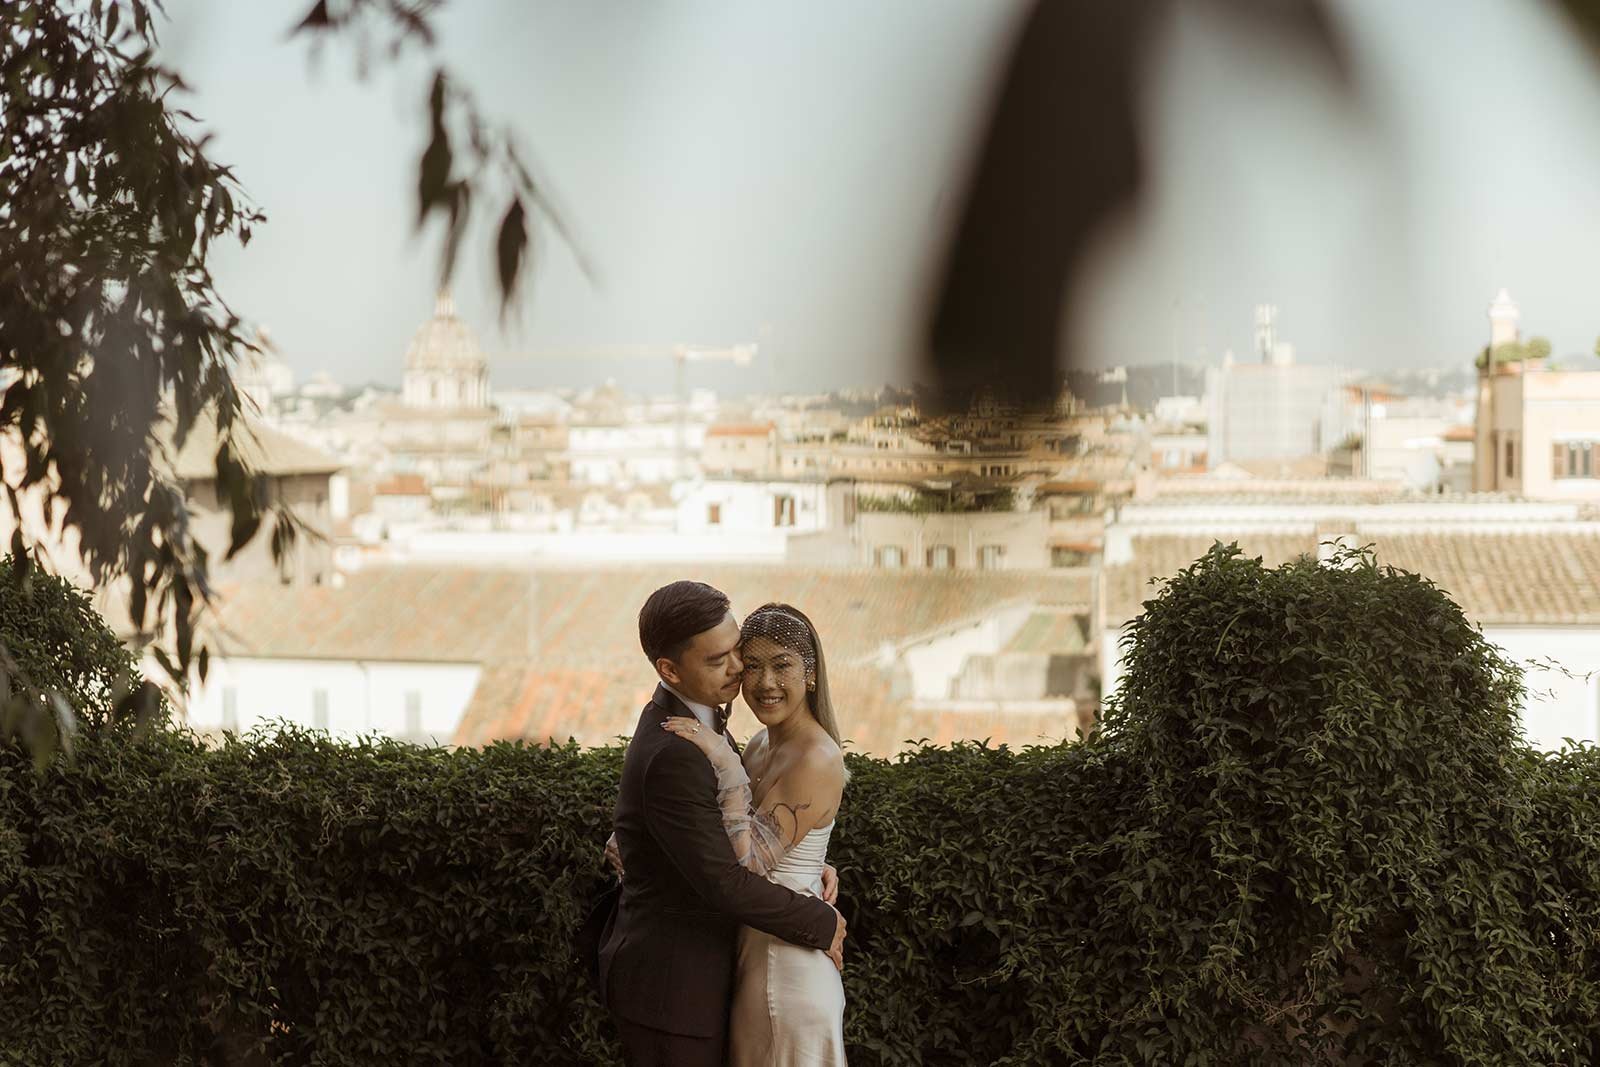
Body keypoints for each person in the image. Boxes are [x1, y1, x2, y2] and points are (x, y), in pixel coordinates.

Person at [597, 581, 846, 1067]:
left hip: (763, 969)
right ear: (670, 669)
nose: (744, 674)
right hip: (677, 989)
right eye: (727, 661)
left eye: (739, 654)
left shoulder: (710, 728)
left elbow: (739, 840)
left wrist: (808, 861)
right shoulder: (687, 745)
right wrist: (822, 919)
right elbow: (724, 877)